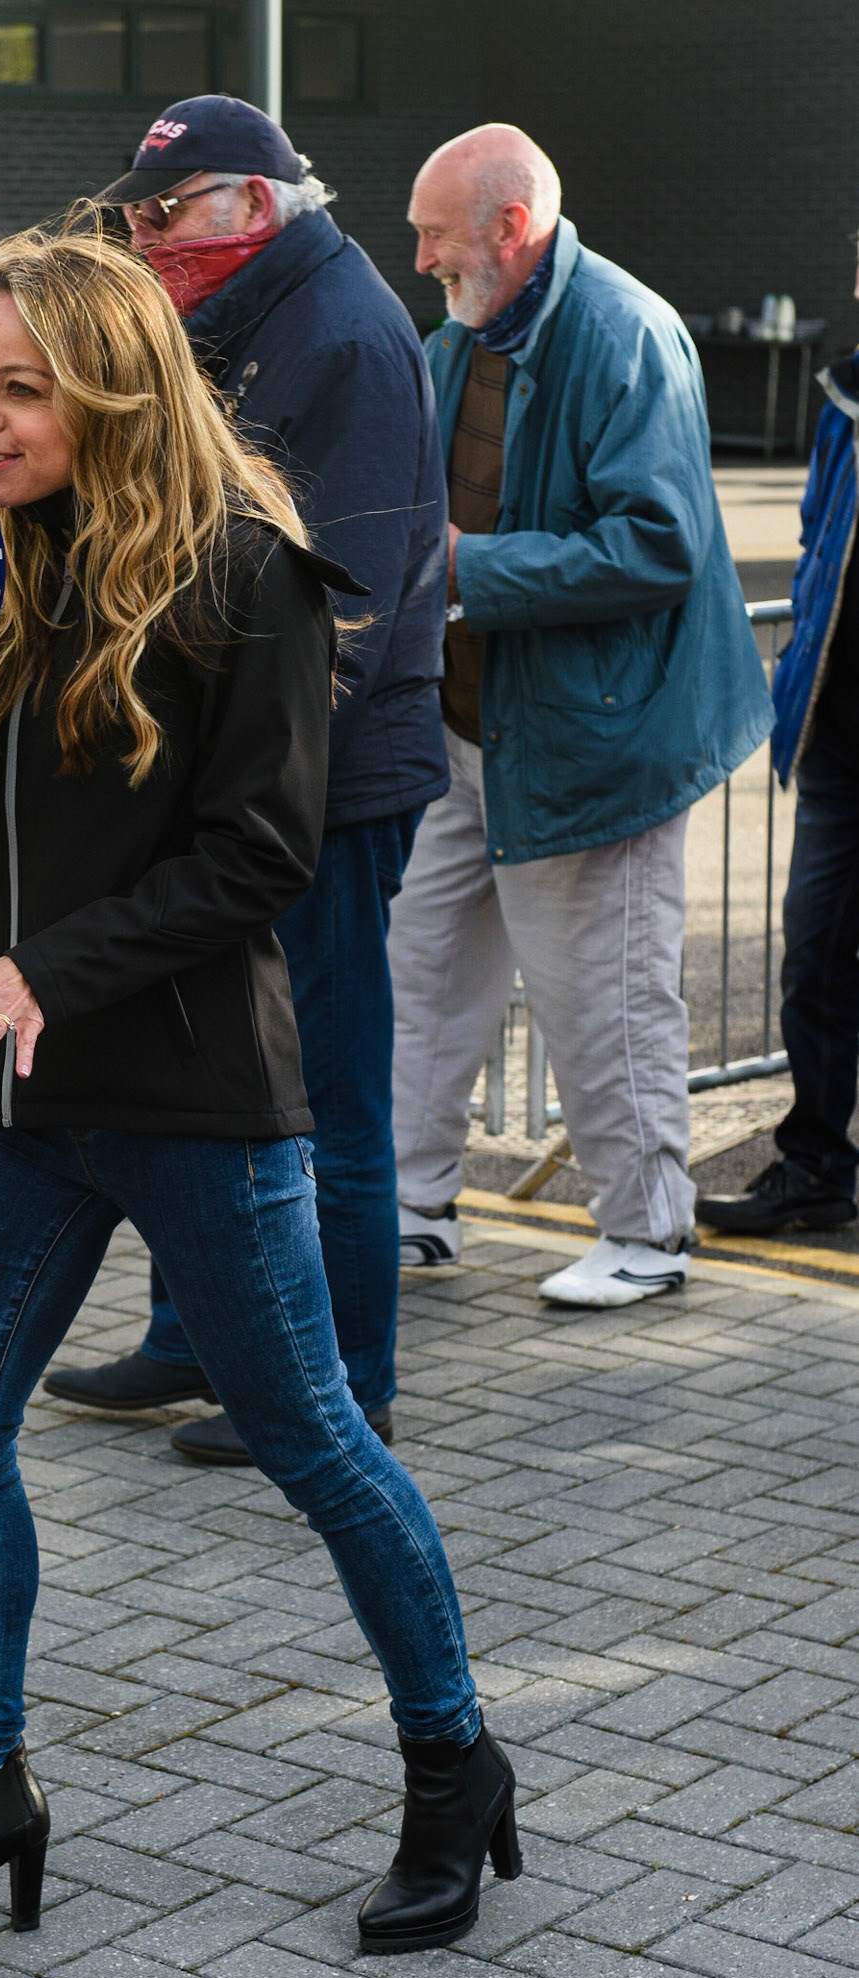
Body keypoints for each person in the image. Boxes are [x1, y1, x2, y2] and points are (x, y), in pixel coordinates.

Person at [0, 220, 519, 1965]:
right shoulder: (12, 557)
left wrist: (48, 967)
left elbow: (261, 852)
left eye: (17, 388)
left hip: (197, 1096)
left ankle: (453, 1761)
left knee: (310, 1438)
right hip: (30, 1104)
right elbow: (44, 841)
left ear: (111, 385)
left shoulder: (245, 570)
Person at [40, 95, 450, 1463]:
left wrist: (242, 786)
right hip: (246, 777)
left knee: (316, 1084)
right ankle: (193, 1337)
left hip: (319, 781)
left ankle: (345, 1381)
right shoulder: (240, 318)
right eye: (137, 214)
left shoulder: (337, 334)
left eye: (168, 212)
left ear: (252, 207)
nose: (145, 236)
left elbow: (343, 599)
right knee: (203, 1073)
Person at [389, 125, 773, 1307]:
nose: (417, 261)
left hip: (591, 737)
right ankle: (406, 1204)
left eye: (435, 236)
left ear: (510, 229)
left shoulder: (623, 330)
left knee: (600, 996)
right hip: (470, 724)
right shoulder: (466, 327)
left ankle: (648, 1233)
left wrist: (466, 568)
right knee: (416, 970)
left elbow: (658, 545)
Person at [697, 238, 859, 1239]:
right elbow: (814, 541)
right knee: (814, 962)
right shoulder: (843, 398)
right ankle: (812, 1169)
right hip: (841, 750)